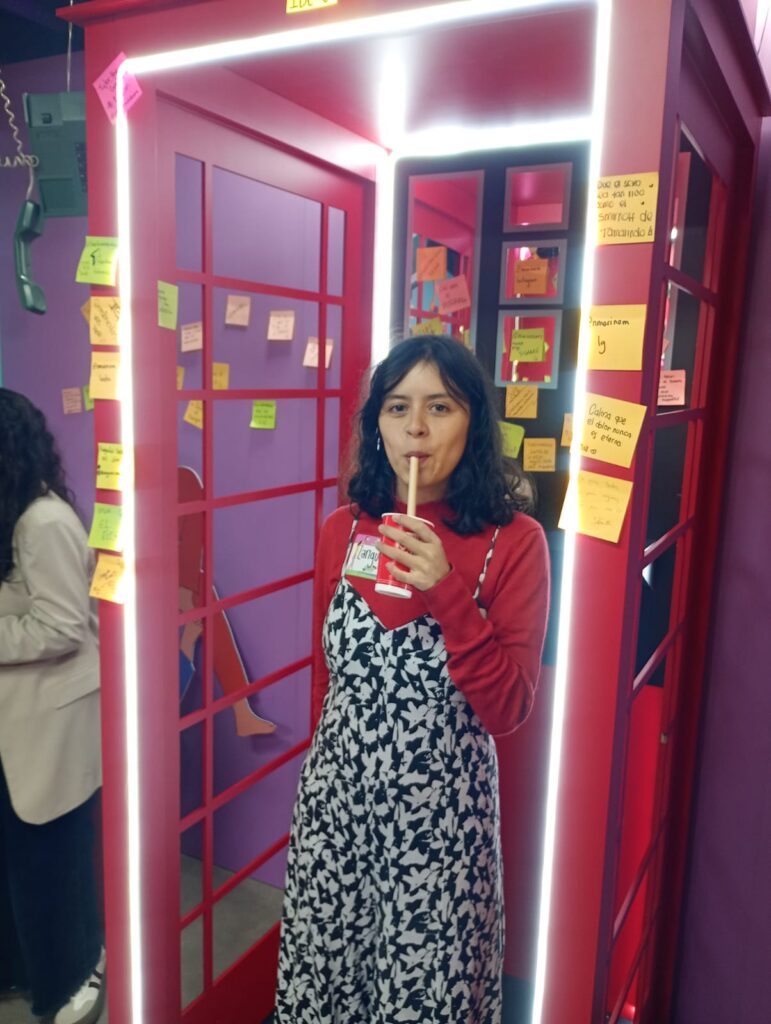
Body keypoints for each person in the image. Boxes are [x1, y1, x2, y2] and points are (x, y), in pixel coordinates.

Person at [276, 336, 550, 1023]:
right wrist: (320, 768)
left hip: (440, 829)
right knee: (326, 981)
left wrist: (446, 592)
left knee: (423, 995)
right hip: (336, 812)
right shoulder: (343, 529)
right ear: (377, 427)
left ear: (473, 423)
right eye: (397, 408)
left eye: (440, 407)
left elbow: (507, 707)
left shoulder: (511, 542)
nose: (417, 429)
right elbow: (327, 673)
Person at [0, 389, 105, 1024]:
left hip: (51, 723)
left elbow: (63, 625)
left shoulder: (42, 521)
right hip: (17, 723)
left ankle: (69, 980)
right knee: (17, 860)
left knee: (52, 864)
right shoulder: (12, 513)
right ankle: (21, 969)